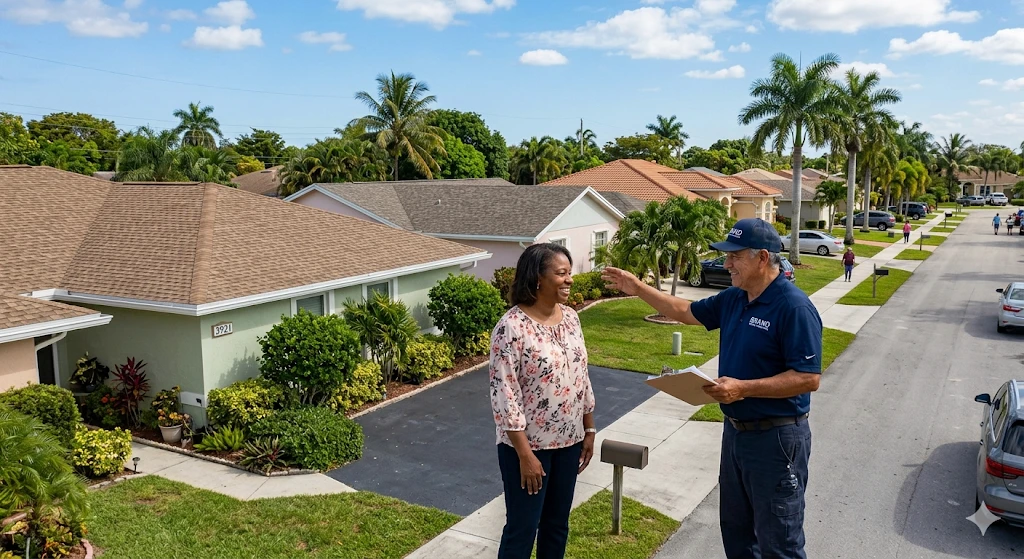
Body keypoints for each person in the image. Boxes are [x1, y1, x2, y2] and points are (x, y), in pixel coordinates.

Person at [602, 218, 822, 559]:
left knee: (779, 542)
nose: (726, 263)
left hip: (777, 440)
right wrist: (638, 288)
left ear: (763, 258)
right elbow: (684, 311)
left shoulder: (793, 307)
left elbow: (808, 378)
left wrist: (743, 388)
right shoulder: (734, 298)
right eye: (726, 255)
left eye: (734, 256)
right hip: (735, 434)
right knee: (737, 534)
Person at [490, 243, 596, 559]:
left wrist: (588, 430)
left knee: (557, 525)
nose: (569, 280)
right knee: (523, 528)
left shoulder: (572, 319)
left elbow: (581, 375)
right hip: (527, 449)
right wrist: (525, 455)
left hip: (569, 443)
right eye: (561, 273)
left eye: (570, 273)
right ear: (538, 278)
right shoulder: (511, 328)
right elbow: (504, 395)